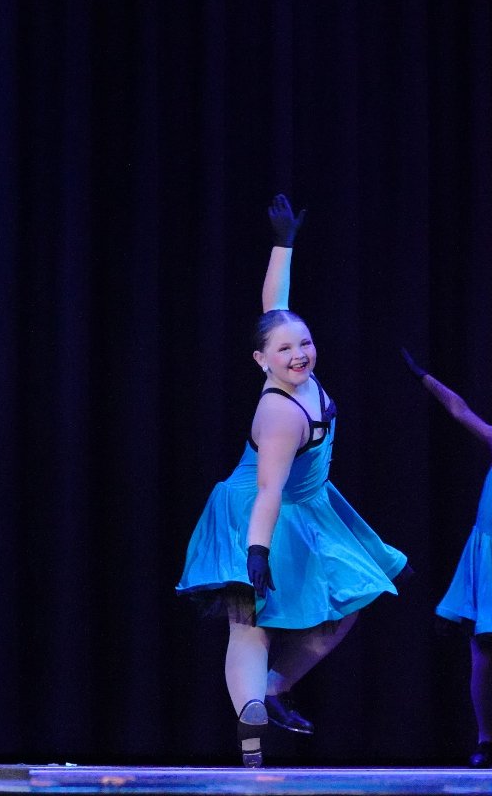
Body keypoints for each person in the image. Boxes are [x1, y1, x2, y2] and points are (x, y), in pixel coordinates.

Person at [175, 194, 410, 768]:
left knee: (348, 603)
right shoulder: (279, 411)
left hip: (308, 507)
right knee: (249, 629)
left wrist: (284, 243)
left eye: (304, 342)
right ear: (262, 361)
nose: (300, 353)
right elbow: (269, 491)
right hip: (258, 512)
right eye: (285, 349)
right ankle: (252, 740)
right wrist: (255, 551)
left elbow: (273, 307)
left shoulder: (297, 366)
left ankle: (276, 690)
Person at [402, 347, 492, 768]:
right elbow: (459, 411)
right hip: (490, 554)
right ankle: (488, 740)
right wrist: (424, 376)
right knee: (485, 648)